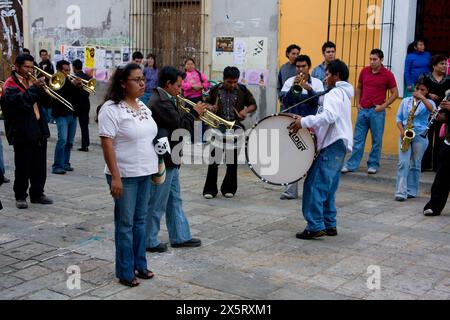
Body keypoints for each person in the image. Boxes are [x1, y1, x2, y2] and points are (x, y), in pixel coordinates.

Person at [98, 63, 158, 287]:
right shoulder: (111, 109)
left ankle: (139, 265)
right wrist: (115, 177)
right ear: (123, 83)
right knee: (125, 224)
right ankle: (125, 271)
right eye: (137, 79)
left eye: (143, 79)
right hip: (124, 175)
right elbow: (107, 144)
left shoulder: (142, 106)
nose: (142, 83)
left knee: (140, 221)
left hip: (145, 173)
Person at [288, 60, 353, 239]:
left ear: (336, 76)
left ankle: (315, 225)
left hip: (332, 144)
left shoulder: (334, 93)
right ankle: (329, 224)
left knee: (314, 185)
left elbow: (329, 116)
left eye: (327, 74)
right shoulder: (342, 94)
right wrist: (307, 121)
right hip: (340, 143)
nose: (325, 77)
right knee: (328, 186)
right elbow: (328, 118)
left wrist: (304, 121)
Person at [145, 66, 207, 253]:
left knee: (174, 199)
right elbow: (179, 125)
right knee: (158, 201)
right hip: (165, 157)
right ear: (168, 84)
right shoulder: (160, 101)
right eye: (178, 86)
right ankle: (149, 239)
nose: (181, 89)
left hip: (172, 156)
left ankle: (180, 236)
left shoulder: (168, 98)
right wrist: (194, 114)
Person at [1, 54, 53, 209]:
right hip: (22, 130)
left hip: (38, 128)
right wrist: (35, 88)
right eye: (26, 67)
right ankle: (20, 196)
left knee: (39, 165)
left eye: (31, 67)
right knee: (23, 166)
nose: (30, 70)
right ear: (17, 67)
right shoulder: (10, 85)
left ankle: (37, 194)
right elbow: (21, 103)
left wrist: (45, 88)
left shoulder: (32, 81)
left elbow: (48, 103)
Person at [202, 66, 257, 199]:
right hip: (218, 127)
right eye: (229, 82)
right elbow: (205, 103)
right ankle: (210, 189)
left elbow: (253, 104)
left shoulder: (242, 90)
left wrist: (245, 111)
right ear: (224, 79)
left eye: (234, 82)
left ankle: (229, 188)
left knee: (232, 161)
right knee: (214, 160)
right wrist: (210, 107)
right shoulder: (215, 90)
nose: (232, 85)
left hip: (235, 127)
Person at [342, 49, 399, 174]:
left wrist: (383, 106)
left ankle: (373, 164)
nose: (372, 62)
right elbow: (358, 88)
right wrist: (358, 104)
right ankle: (351, 164)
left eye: (375, 59)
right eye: (371, 59)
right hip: (363, 111)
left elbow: (395, 93)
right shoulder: (364, 71)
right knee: (358, 139)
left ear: (381, 59)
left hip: (377, 111)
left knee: (376, 140)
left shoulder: (387, 74)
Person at [279, 55, 324, 199]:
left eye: (303, 66)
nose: (300, 69)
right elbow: (285, 101)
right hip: (292, 124)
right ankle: (289, 191)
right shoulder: (288, 82)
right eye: (298, 67)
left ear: (308, 67)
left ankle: (311, 191)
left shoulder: (317, 83)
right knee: (291, 157)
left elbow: (318, 102)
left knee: (310, 158)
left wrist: (309, 89)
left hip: (309, 124)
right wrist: (294, 89)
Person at [395, 79, 435, 202]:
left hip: (420, 135)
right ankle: (400, 191)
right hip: (405, 134)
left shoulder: (430, 102)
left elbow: (432, 111)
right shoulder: (406, 101)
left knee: (415, 164)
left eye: (422, 89)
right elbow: (399, 118)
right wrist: (402, 131)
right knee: (403, 163)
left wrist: (422, 98)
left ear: (427, 91)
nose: (418, 91)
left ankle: (411, 190)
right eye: (417, 88)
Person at [51, 60, 83, 174]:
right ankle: (57, 165)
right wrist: (73, 85)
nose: (68, 72)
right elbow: (60, 94)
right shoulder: (55, 81)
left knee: (70, 141)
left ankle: (65, 163)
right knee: (62, 140)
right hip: (61, 115)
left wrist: (79, 87)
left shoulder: (70, 81)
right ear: (59, 70)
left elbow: (77, 98)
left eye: (69, 70)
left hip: (72, 114)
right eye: (65, 70)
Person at [420, 55, 450, 171]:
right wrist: (428, 95)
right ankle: (424, 164)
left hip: (442, 114)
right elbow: (418, 90)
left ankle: (437, 166)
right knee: (425, 138)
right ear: (434, 66)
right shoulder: (425, 77)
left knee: (440, 140)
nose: (445, 66)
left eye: (445, 64)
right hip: (426, 112)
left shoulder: (448, 79)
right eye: (442, 64)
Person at [423, 99, 450, 217]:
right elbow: (445, 118)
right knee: (441, 180)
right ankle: (434, 206)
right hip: (448, 145)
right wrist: (440, 115)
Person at [181, 58, 211, 143]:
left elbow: (207, 83)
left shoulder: (199, 73)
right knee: (191, 119)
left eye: (192, 64)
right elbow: (183, 85)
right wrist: (192, 86)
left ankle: (201, 138)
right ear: (185, 66)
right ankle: (193, 139)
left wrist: (201, 86)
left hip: (198, 99)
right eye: (188, 64)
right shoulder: (183, 75)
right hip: (189, 100)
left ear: (194, 65)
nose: (190, 65)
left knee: (201, 118)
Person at [72, 59, 91, 152]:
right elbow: (88, 92)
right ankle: (85, 145)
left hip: (76, 103)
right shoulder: (87, 77)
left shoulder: (73, 77)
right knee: (84, 126)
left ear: (74, 67)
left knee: (71, 124)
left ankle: (69, 143)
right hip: (85, 103)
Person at [38, 49, 55, 123]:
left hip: (48, 86)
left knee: (49, 103)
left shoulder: (50, 64)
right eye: (42, 55)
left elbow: (52, 75)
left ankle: (50, 119)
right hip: (41, 87)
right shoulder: (39, 64)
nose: (44, 56)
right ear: (40, 56)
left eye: (45, 54)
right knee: (42, 103)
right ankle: (45, 119)